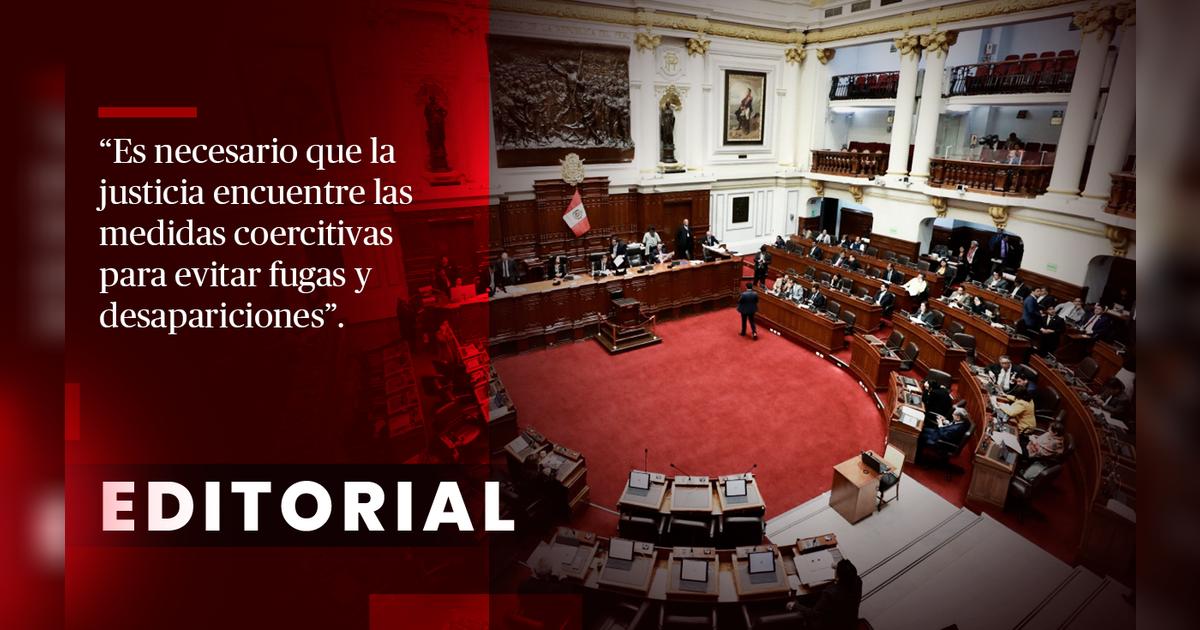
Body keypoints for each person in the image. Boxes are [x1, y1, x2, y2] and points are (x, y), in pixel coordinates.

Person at [790, 559, 861, 630]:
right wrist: (839, 567)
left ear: (838, 577)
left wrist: (795, 605)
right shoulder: (858, 582)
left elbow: (814, 614)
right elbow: (852, 575)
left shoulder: (830, 593)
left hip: (830, 626)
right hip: (850, 624)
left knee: (804, 599)